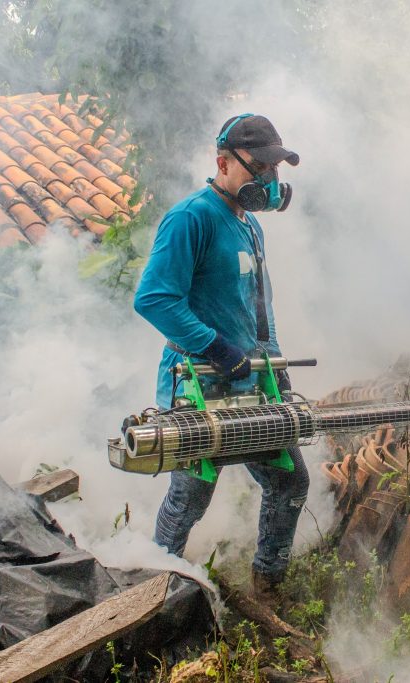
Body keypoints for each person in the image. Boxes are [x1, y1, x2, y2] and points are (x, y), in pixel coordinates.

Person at [133, 114, 310, 598]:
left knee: (290, 481)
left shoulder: (250, 225)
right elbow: (153, 298)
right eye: (261, 169)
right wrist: (215, 346)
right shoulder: (192, 217)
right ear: (223, 163)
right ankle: (154, 594)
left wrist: (275, 370)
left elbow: (259, 310)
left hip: (251, 383)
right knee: (190, 499)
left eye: (274, 170)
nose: (270, 181)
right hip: (197, 384)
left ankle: (267, 586)